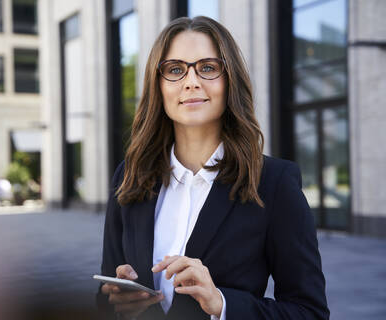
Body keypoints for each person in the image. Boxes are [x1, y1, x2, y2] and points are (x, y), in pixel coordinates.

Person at [97, 16, 329, 320]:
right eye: (175, 70)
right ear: (158, 86)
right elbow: (102, 301)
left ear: (229, 80)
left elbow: (309, 312)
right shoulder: (129, 176)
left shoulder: (273, 183)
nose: (191, 81)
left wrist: (222, 305)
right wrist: (116, 304)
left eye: (207, 67)